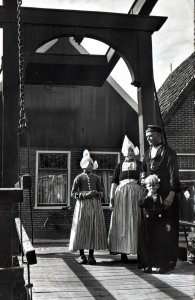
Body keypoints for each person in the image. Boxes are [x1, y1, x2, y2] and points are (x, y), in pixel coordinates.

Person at [140, 124, 180, 273]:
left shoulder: (169, 153)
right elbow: (143, 170)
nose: (148, 139)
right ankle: (150, 262)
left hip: (165, 196)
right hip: (151, 196)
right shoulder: (147, 153)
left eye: (151, 136)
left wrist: (171, 194)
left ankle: (165, 263)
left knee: (165, 231)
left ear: (159, 135)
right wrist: (143, 178)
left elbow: (174, 176)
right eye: (147, 136)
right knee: (150, 231)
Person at [108, 135, 145, 263]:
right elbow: (114, 182)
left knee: (135, 221)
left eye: (131, 150)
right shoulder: (119, 166)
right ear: (124, 151)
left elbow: (144, 181)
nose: (130, 152)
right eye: (128, 150)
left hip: (136, 196)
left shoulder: (140, 165)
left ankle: (138, 250)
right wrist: (111, 197)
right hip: (121, 197)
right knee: (122, 222)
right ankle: (123, 252)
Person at [69, 149, 107, 265]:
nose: (89, 166)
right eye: (87, 164)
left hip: (94, 205)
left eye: (91, 164)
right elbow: (73, 193)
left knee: (93, 227)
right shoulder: (79, 178)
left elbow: (102, 192)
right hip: (82, 205)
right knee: (82, 227)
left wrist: (97, 194)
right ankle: (81, 255)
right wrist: (84, 195)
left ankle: (91, 255)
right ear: (82, 166)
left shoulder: (97, 178)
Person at [138, 174, 172, 274]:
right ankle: (148, 265)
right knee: (147, 244)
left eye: (154, 185)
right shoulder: (145, 196)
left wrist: (167, 223)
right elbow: (140, 204)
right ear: (146, 186)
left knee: (159, 244)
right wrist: (148, 196)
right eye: (149, 186)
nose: (152, 188)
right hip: (147, 223)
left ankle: (159, 265)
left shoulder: (161, 197)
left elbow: (166, 211)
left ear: (158, 186)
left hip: (159, 223)